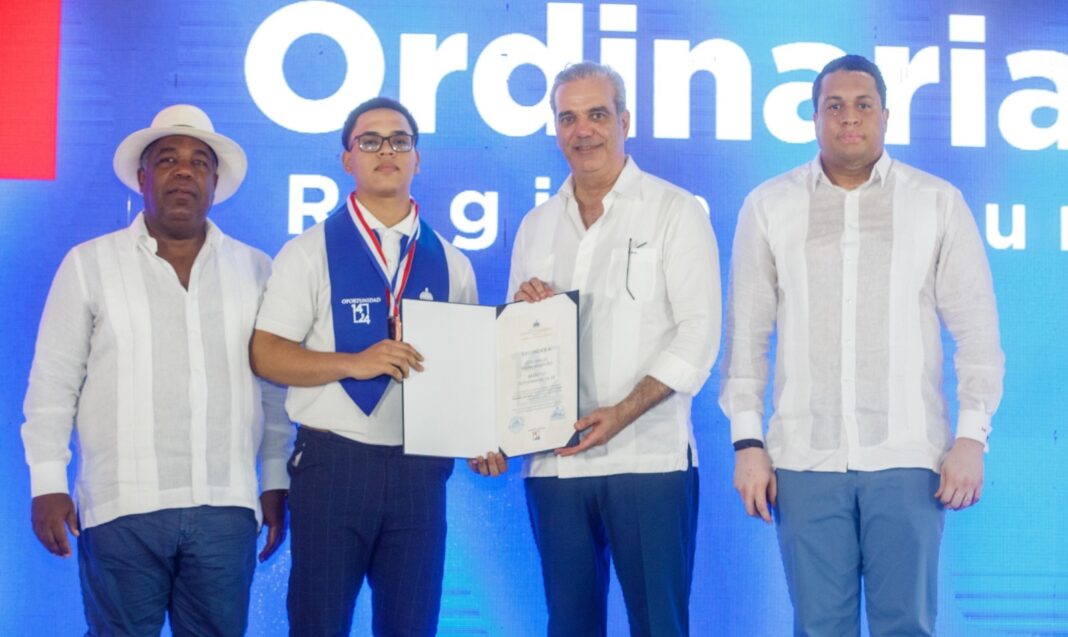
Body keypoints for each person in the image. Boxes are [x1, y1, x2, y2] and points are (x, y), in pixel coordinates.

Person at [720, 54, 1004, 636]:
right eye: (835, 105)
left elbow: (977, 331)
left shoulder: (936, 202)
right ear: (814, 117)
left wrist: (972, 438)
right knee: (818, 627)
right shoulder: (769, 206)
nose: (849, 117)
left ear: (885, 115)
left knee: (907, 626)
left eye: (863, 104)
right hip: (804, 458)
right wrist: (747, 442)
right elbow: (746, 335)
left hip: (908, 455)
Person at [22, 104, 294, 636]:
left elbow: (273, 391)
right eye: (168, 159)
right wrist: (47, 482)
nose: (184, 171)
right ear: (143, 177)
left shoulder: (256, 269)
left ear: (215, 182)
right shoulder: (89, 265)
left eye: (199, 162)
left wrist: (276, 478)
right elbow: (53, 382)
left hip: (225, 506)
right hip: (122, 505)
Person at [472, 62, 721, 636]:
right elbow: (515, 350)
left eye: (597, 115)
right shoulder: (536, 226)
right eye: (568, 118)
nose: (582, 130)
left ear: (624, 121)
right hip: (554, 465)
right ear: (556, 129)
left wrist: (622, 412)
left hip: (648, 460)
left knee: (659, 626)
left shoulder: (674, 210)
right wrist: (498, 427)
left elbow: (700, 335)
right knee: (569, 626)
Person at [250, 96, 478, 637]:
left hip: (420, 471)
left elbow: (465, 372)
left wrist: (482, 436)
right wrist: (353, 363)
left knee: (412, 626)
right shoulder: (308, 252)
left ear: (417, 158)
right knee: (319, 624)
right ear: (347, 159)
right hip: (335, 462)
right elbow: (266, 353)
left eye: (400, 141)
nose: (386, 151)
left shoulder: (453, 263)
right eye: (370, 141)